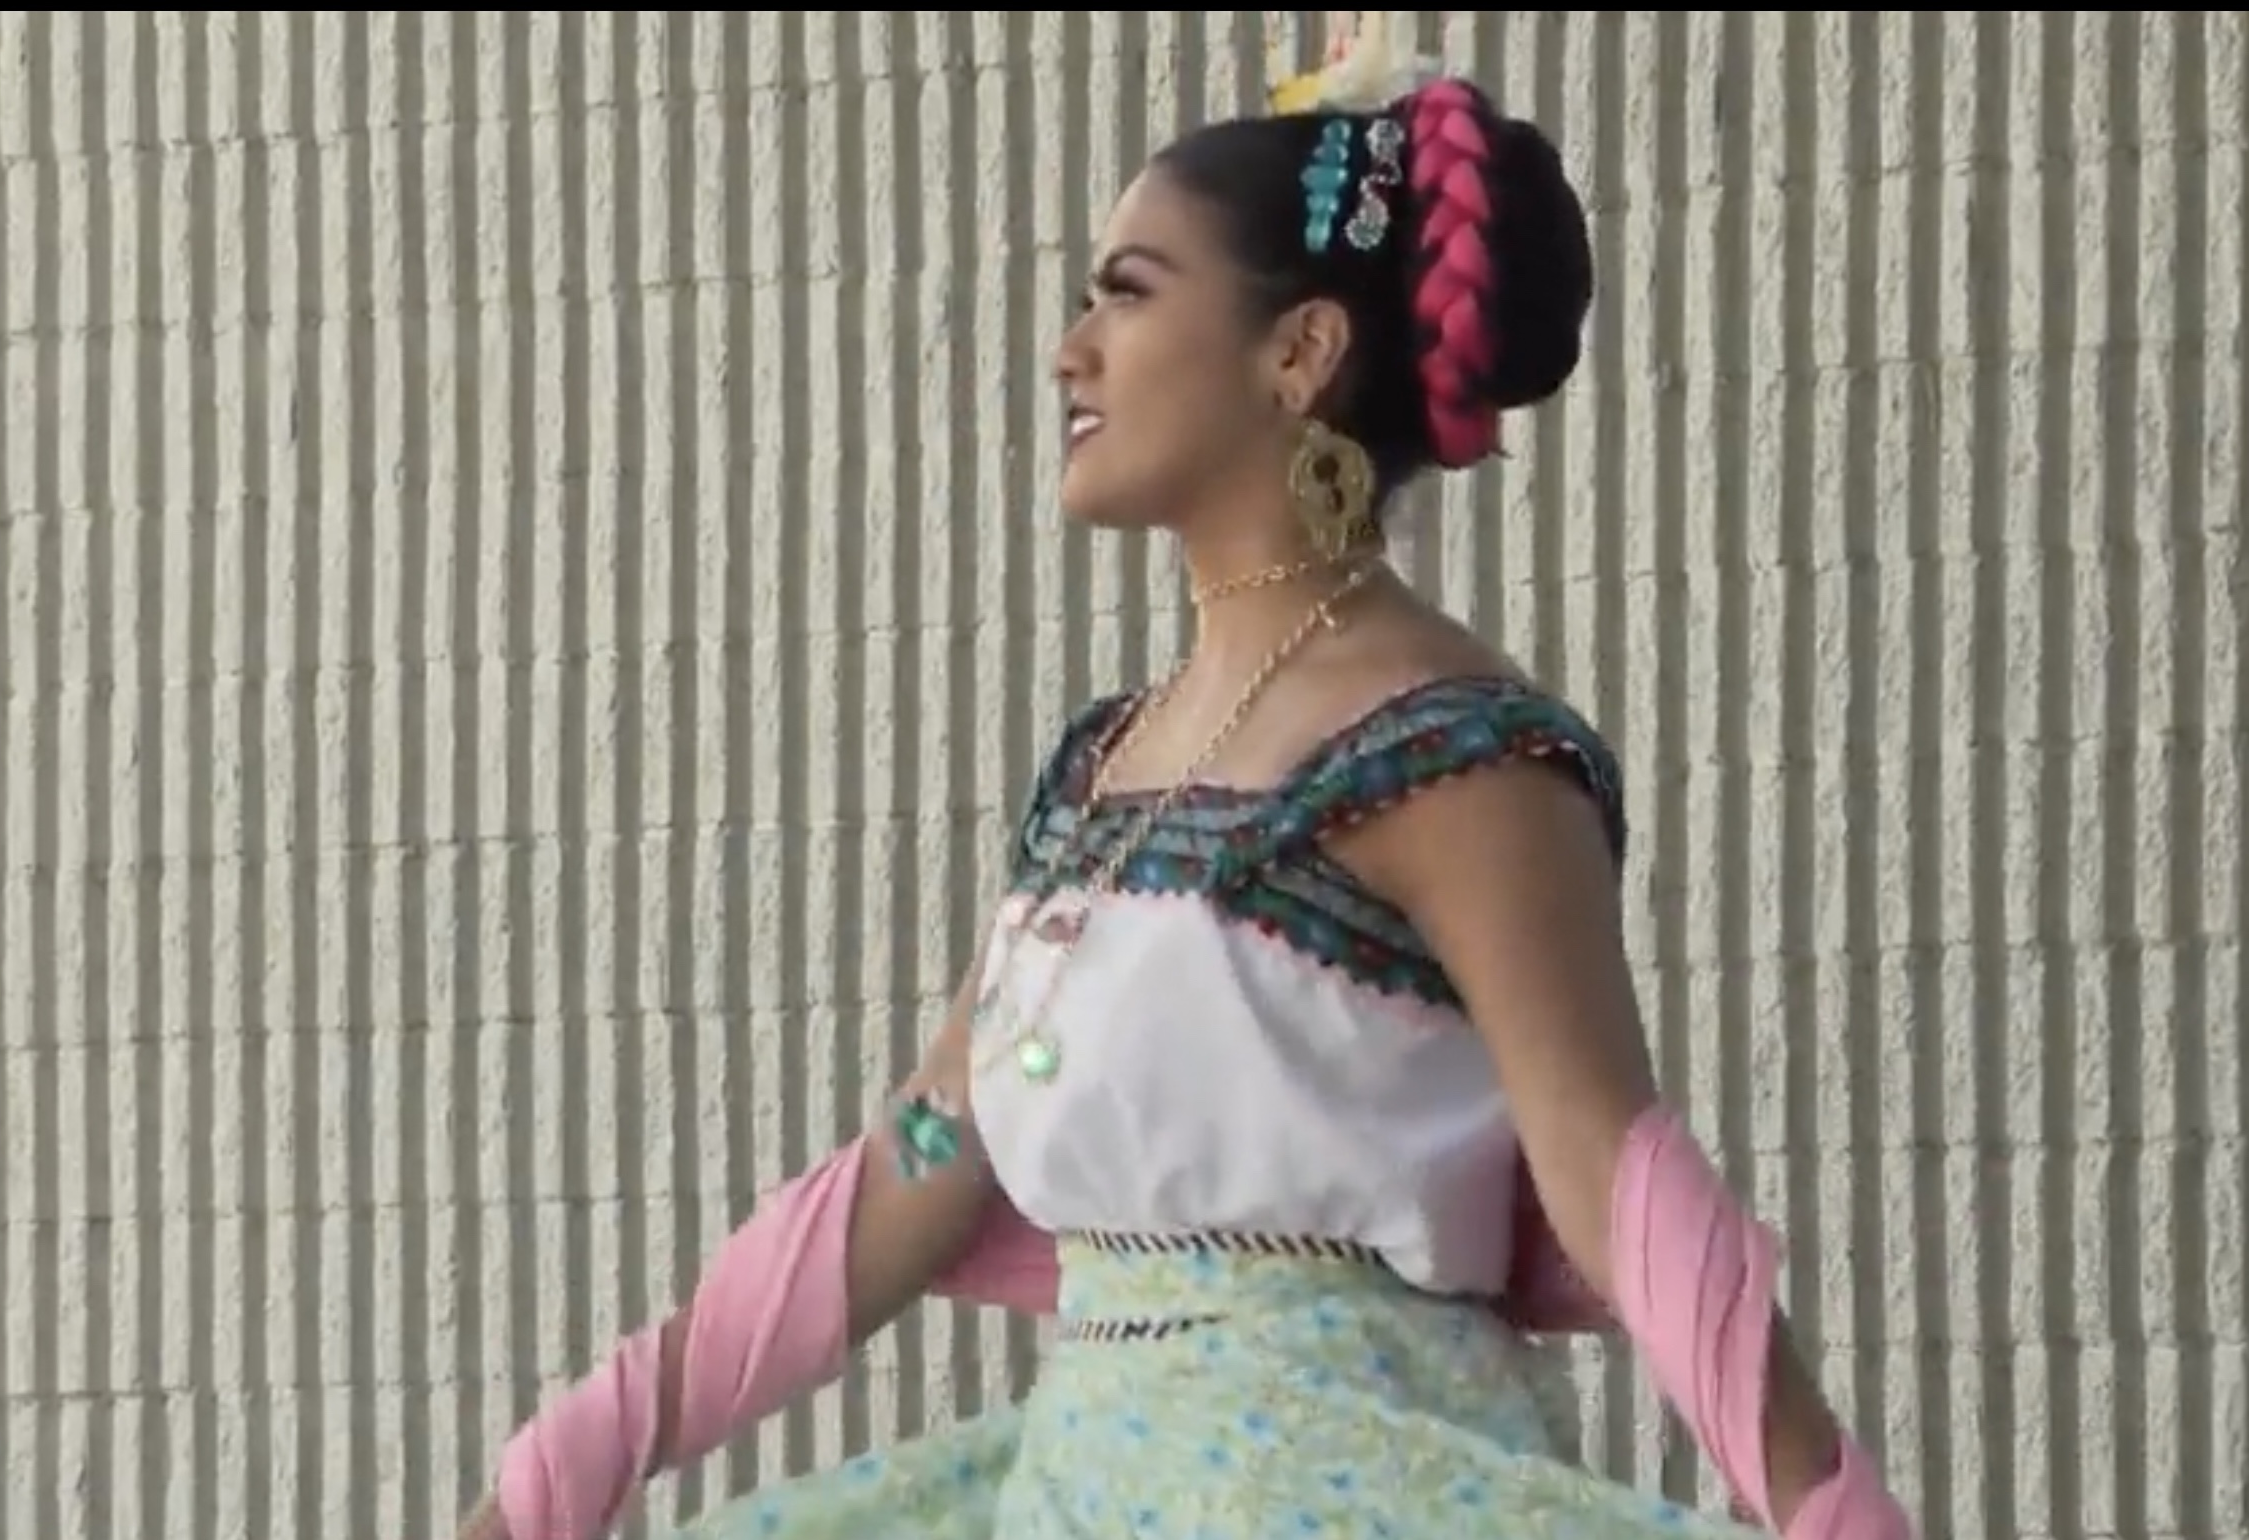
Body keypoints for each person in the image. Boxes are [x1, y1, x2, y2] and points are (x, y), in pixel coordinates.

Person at [460, 22, 1918, 1540]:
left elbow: (1613, 1173)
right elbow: (924, 1154)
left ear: (1297, 354)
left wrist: (1831, 1507)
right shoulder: (1108, 767)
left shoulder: (1449, 751)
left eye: (1128, 294)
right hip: (1084, 1480)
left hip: (1352, 1488)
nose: (1068, 348)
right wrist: (577, 1458)